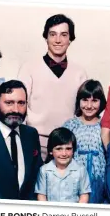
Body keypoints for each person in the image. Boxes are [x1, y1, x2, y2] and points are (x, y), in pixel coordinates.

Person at [18, 14, 87, 161]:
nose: (57, 40)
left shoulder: (79, 73)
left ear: (70, 39)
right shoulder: (28, 68)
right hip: (35, 143)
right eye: (52, 34)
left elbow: (84, 112)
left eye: (63, 35)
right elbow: (19, 106)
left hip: (67, 145)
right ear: (46, 38)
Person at [63, 79, 106, 203]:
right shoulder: (70, 125)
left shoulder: (105, 126)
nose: (89, 106)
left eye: (94, 101)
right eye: (85, 100)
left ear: (101, 102)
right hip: (73, 180)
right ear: (79, 101)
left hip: (99, 181)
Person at [35, 127, 91, 203]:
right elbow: (41, 195)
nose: (64, 154)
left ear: (73, 150)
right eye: (59, 149)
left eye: (68, 149)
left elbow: (84, 195)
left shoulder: (81, 170)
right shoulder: (44, 170)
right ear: (51, 151)